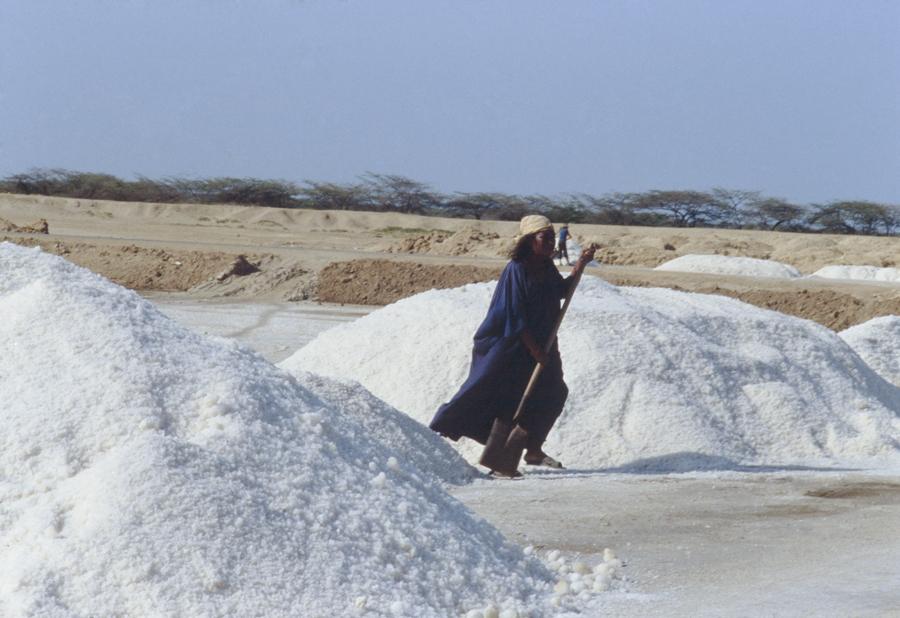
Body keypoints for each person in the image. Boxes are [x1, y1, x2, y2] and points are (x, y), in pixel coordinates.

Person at [429, 214, 596, 471]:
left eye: (553, 238)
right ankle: (438, 433)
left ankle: (533, 450)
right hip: (508, 344)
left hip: (544, 342)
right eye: (545, 238)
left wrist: (580, 265)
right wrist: (535, 351)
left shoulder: (546, 266)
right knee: (489, 392)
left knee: (553, 393)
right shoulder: (516, 269)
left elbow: (562, 291)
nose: (551, 243)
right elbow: (514, 316)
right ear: (530, 241)